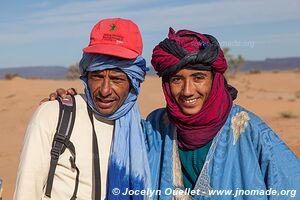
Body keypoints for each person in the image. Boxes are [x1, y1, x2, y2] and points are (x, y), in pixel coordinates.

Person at [144, 27, 300, 199]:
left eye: (198, 78)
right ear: (166, 84)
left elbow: (290, 184)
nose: (187, 91)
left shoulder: (246, 127)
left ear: (214, 80)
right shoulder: (157, 126)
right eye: (176, 80)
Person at [14, 18, 152, 200]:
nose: (104, 90)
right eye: (97, 76)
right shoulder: (53, 115)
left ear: (133, 83)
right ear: (86, 76)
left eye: (117, 79)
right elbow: (26, 191)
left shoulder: (145, 133)